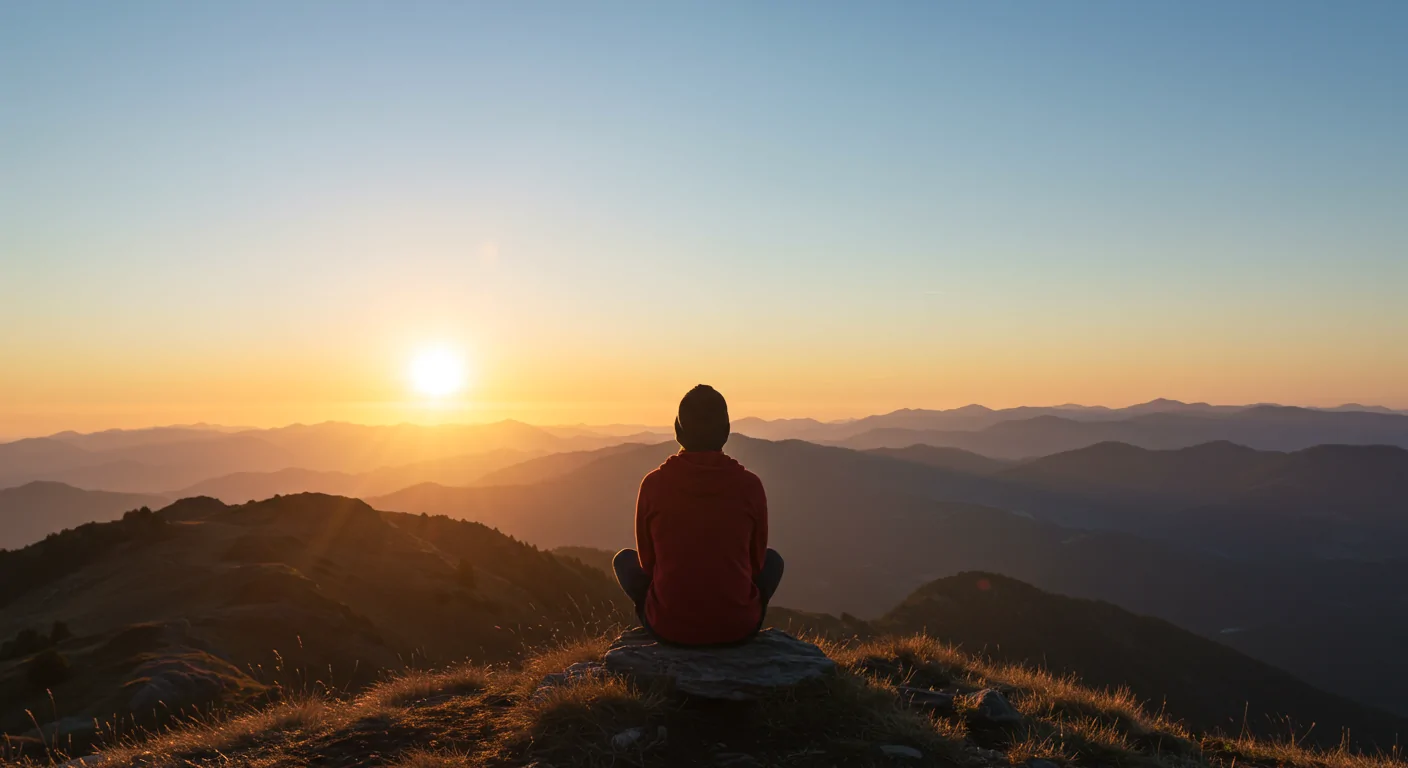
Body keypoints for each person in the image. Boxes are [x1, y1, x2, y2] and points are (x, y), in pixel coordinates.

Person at [613, 384, 784, 646]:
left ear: (678, 432)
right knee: (774, 562)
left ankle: (669, 616)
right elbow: (757, 564)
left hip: (670, 629)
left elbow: (647, 565)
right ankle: (733, 616)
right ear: (726, 432)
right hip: (737, 629)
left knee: (624, 561)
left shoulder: (653, 484)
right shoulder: (750, 486)